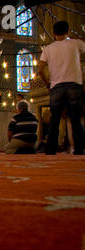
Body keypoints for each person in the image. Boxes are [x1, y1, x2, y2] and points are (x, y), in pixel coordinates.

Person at [38, 21, 84, 155]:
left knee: (55, 120)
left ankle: (50, 149)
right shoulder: (75, 43)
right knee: (75, 119)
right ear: (67, 31)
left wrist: (47, 83)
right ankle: (79, 149)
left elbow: (40, 69)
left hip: (56, 86)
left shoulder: (48, 49)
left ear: (54, 33)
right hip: (74, 84)